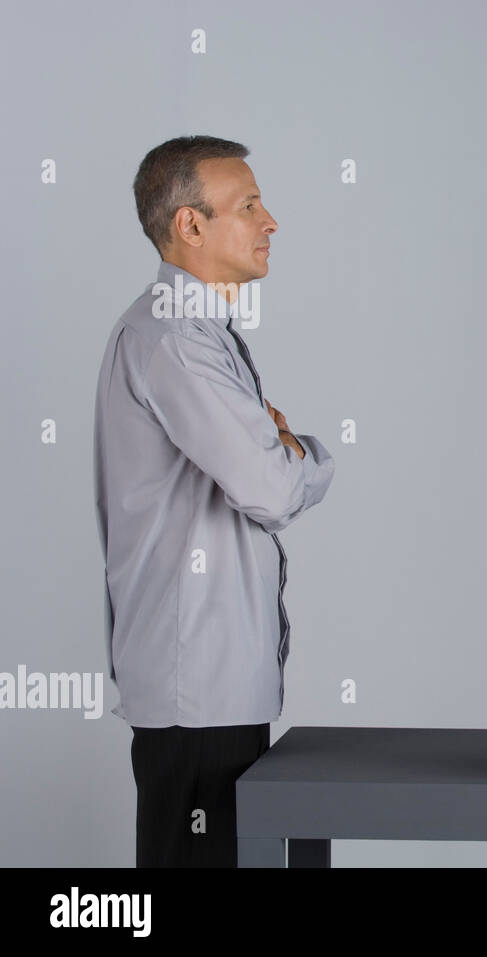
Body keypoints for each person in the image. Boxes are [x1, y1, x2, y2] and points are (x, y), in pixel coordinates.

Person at [93, 135, 335, 866]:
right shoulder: (174, 337)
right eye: (250, 204)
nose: (271, 221)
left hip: (212, 685)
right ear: (190, 226)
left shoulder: (194, 330)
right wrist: (304, 452)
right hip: (198, 691)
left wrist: (277, 447)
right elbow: (272, 487)